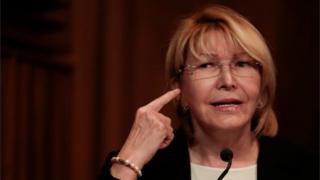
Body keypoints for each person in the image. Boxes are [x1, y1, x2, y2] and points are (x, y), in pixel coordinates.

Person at [98, 4, 314, 180]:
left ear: (262, 91)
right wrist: (130, 162)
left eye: (242, 64)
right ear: (179, 89)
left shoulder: (304, 167)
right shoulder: (147, 167)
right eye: (206, 65)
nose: (228, 81)